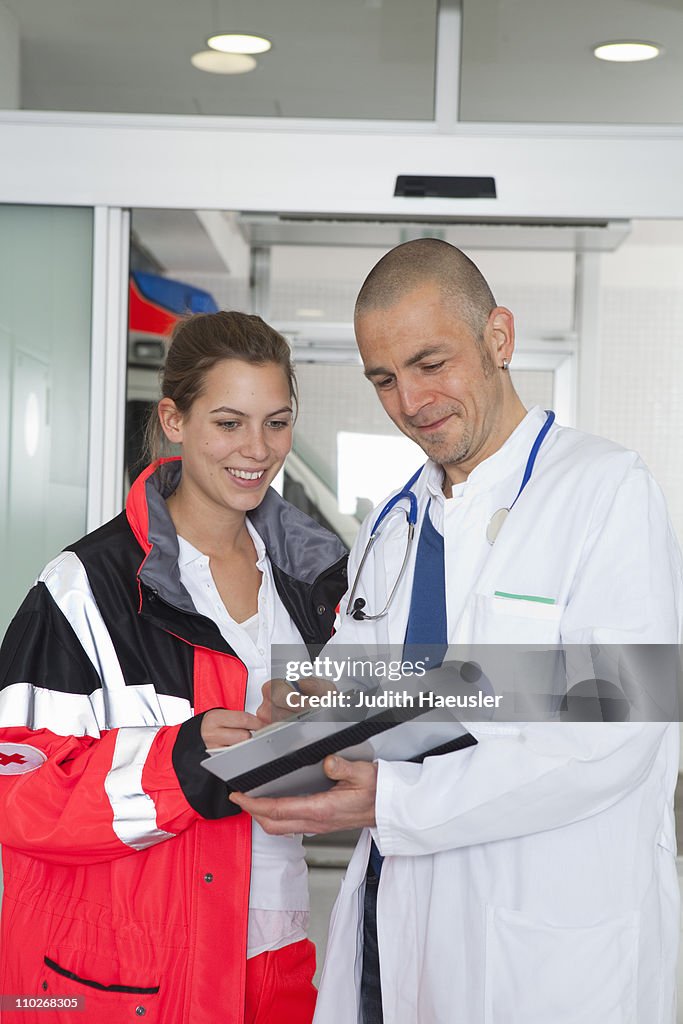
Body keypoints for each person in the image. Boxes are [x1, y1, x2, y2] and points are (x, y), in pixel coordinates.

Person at [232, 239, 683, 1024]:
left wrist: (400, 799)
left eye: (429, 362)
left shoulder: (603, 491)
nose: (409, 400)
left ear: (498, 339)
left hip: (544, 947)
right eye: (383, 378)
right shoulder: (395, 522)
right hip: (395, 920)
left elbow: (619, 726)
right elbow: (389, 685)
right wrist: (306, 704)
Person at [0, 311, 348, 1024]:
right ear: (175, 419)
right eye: (228, 423)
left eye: (277, 423)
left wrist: (322, 727)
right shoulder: (85, 588)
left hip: (277, 953)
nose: (257, 450)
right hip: (122, 978)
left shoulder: (324, 585)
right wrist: (182, 761)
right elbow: (15, 792)